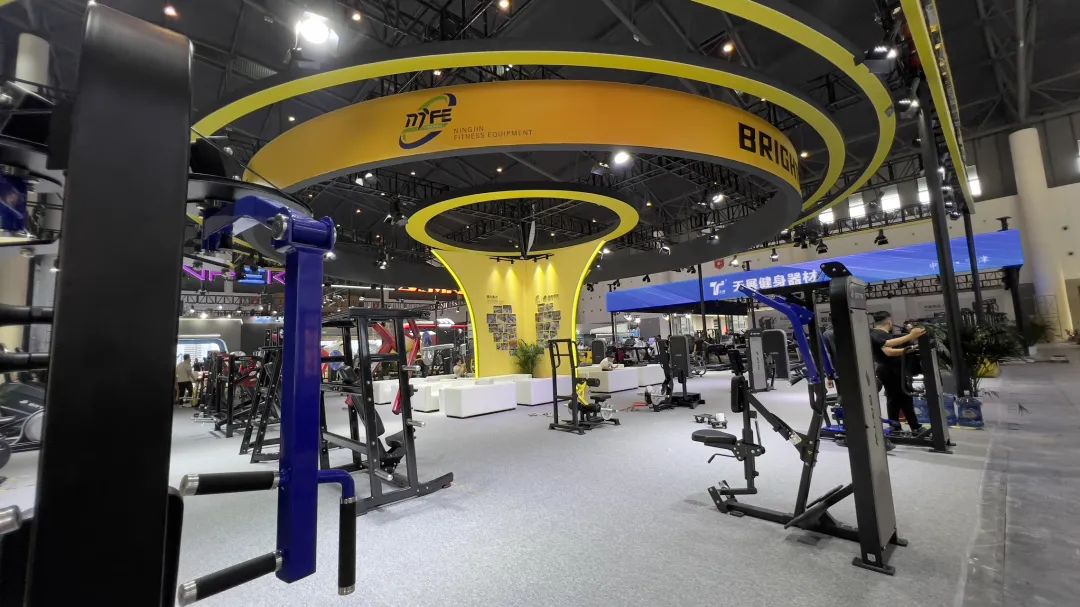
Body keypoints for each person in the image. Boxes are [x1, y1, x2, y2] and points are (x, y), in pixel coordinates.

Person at [869, 311, 926, 434]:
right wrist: (909, 347)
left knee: (902, 398)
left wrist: (910, 340)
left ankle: (908, 427)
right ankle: (902, 428)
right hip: (889, 371)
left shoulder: (885, 335)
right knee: (895, 399)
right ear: (889, 322)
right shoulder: (875, 334)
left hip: (896, 370)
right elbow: (888, 351)